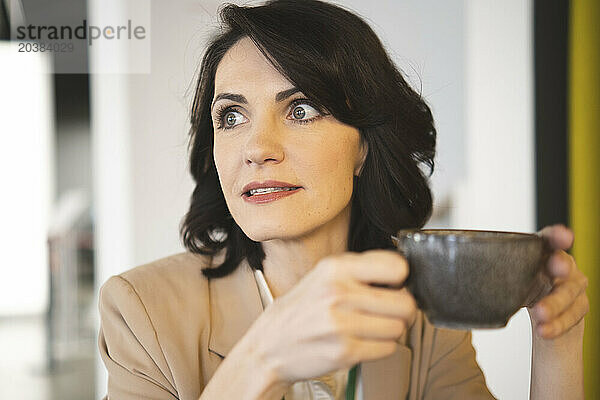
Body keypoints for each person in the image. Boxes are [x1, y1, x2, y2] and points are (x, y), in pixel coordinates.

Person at [97, 1, 589, 399]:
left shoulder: (423, 307)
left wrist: (557, 342)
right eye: (230, 117)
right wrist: (263, 359)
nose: (256, 148)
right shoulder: (143, 311)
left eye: (302, 108)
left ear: (364, 147)